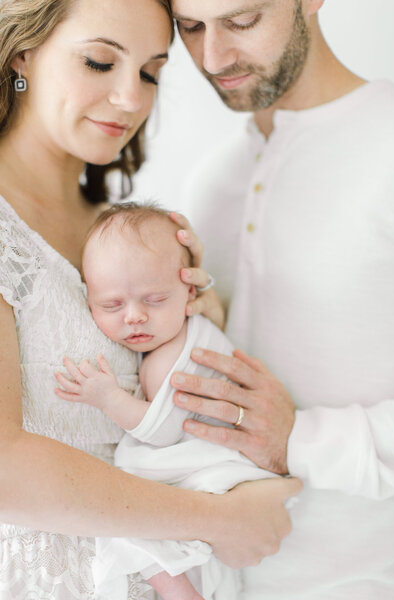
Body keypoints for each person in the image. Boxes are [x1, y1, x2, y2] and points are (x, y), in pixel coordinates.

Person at [0, 0, 301, 598]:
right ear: (22, 51)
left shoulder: (126, 239)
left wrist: (195, 333)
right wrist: (221, 520)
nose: (132, 99)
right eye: (99, 62)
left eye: (150, 72)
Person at [164, 0, 394, 598]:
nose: (213, 58)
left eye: (241, 21)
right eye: (191, 28)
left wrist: (300, 439)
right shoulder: (208, 183)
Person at [55, 202, 280, 600]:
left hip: (217, 475)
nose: (135, 316)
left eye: (155, 300)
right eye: (111, 305)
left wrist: (107, 397)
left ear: (189, 291)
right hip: (211, 471)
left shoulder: (175, 356)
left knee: (129, 527)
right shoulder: (173, 337)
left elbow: (159, 433)